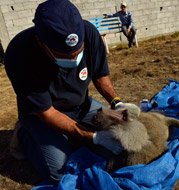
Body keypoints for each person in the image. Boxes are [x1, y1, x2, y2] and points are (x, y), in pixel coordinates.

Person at [4, 0, 125, 184]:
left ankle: (74, 137)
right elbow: (47, 114)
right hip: (41, 116)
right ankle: (24, 136)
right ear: (41, 43)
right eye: (66, 55)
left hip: (81, 105)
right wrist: (93, 137)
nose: (75, 58)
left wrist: (116, 102)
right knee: (62, 171)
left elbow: (101, 76)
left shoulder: (90, 33)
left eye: (78, 51)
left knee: (122, 142)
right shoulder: (19, 54)